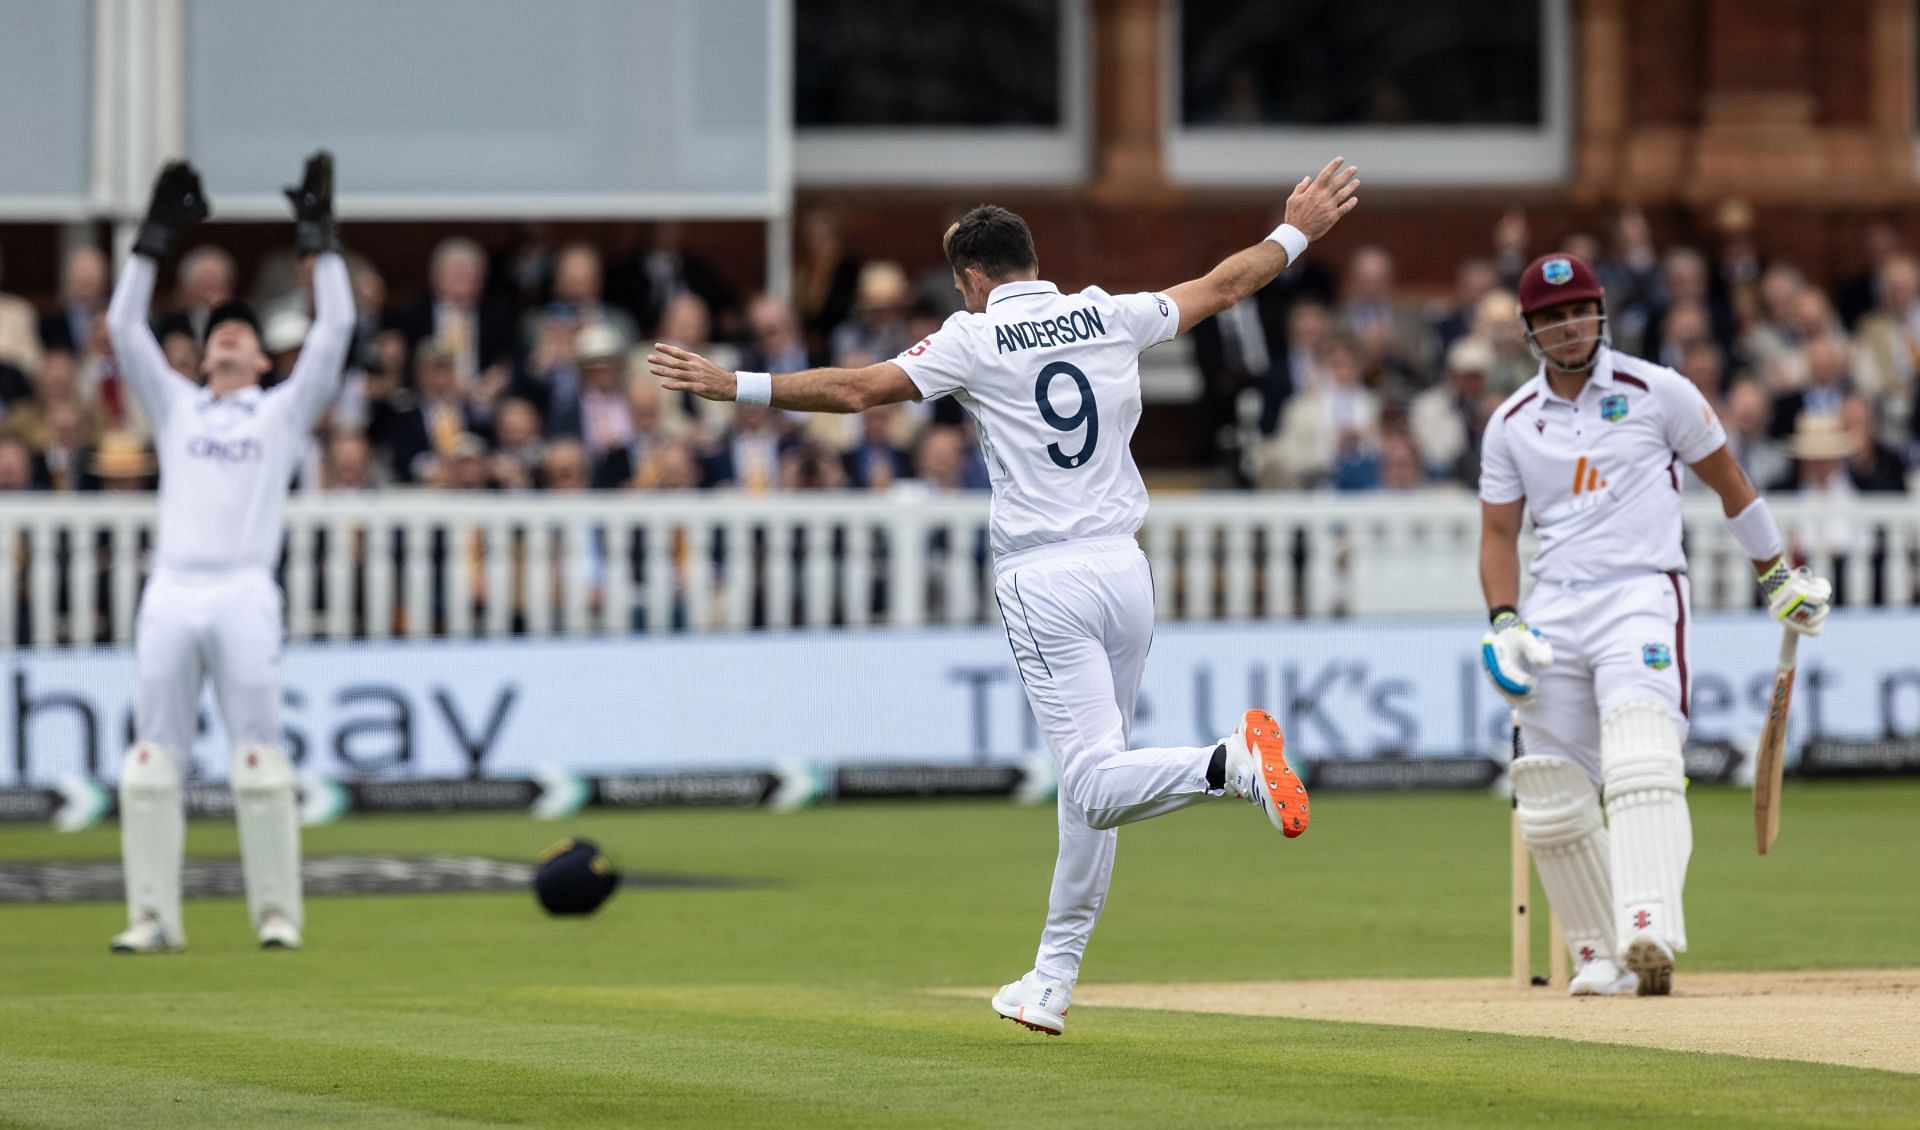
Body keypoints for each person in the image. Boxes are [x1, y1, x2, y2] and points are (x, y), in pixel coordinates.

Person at [651, 157, 1361, 1036]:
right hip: (1125, 571)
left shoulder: (972, 335)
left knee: (1096, 784)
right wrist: (1296, 227)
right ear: (1032, 261)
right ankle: (1052, 978)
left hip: (1045, 574)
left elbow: (856, 389)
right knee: (1090, 787)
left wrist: (736, 386)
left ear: (972, 279)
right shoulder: (1106, 311)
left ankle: (1233, 764)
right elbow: (1224, 285)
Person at [1477, 253, 1832, 998]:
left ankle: (1648, 925)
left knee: (1640, 756)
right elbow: (1498, 536)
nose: (1567, 326)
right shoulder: (1510, 423)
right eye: (1551, 316)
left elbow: (1731, 483)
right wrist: (1503, 620)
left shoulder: (1657, 391)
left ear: (1600, 311)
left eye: (1578, 309)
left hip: (1642, 591)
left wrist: (1776, 574)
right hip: (1555, 606)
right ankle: (1599, 955)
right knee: (1545, 788)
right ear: (1530, 330)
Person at [104, 153, 352, 954]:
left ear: (262, 359)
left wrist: (320, 240)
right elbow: (120, 329)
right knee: (150, 760)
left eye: (242, 333)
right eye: (219, 333)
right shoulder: (175, 406)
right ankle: (151, 917)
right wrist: (153, 239)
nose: (228, 338)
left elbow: (337, 330)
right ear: (206, 354)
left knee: (258, 758)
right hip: (172, 589)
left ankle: (276, 914)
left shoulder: (278, 413)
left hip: (245, 590)